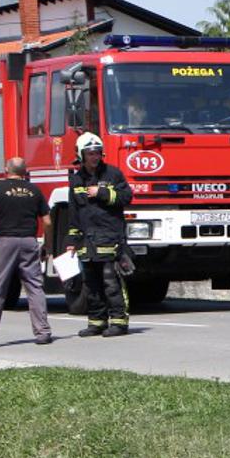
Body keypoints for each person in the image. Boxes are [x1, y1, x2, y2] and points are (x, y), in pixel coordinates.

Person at [0, 157, 54, 348]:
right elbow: (47, 222)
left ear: (6, 169)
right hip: (28, 241)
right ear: (25, 171)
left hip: (5, 241)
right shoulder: (34, 190)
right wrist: (47, 245)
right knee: (34, 287)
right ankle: (42, 332)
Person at [66, 133, 132, 337]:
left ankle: (119, 322)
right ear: (81, 155)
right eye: (90, 153)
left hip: (109, 237)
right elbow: (74, 212)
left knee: (111, 281)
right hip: (86, 240)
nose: (94, 157)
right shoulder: (76, 179)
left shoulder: (113, 174)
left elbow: (126, 197)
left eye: (97, 153)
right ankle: (97, 322)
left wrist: (101, 193)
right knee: (91, 283)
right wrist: (72, 240)